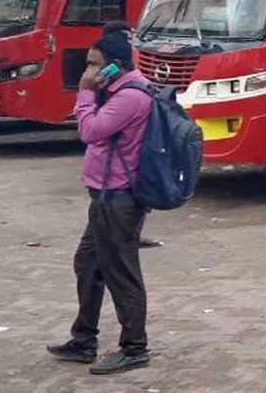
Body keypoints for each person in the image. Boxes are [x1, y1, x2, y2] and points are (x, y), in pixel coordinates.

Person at [46, 30, 154, 374]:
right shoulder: (117, 90)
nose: (87, 71)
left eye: (94, 64)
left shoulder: (130, 97)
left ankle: (135, 348)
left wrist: (84, 94)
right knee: (88, 264)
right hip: (105, 197)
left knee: (121, 273)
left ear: (115, 66)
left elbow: (90, 131)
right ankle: (83, 340)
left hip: (119, 199)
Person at [100, 21, 163, 250]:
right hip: (111, 168)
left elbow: (92, 130)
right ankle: (130, 235)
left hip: (124, 166)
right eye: (125, 37)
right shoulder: (104, 68)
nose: (130, 41)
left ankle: (131, 235)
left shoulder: (132, 87)